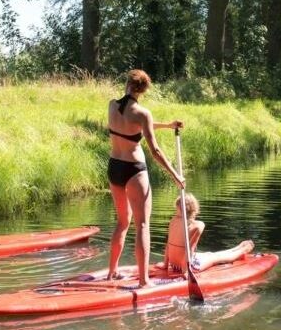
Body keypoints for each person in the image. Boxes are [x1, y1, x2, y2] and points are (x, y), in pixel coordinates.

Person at [107, 69, 185, 287]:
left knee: (122, 223)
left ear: (127, 84)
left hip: (114, 167)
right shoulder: (143, 113)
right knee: (142, 225)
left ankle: (111, 273)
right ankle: (143, 281)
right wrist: (176, 175)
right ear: (143, 90)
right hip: (134, 170)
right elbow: (155, 151)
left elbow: (136, 126)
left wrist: (168, 125)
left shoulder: (112, 105)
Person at [161, 193, 254, 273]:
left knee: (209, 254)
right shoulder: (198, 225)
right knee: (214, 258)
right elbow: (190, 249)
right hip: (186, 266)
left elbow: (168, 245)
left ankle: (237, 248)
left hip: (174, 265)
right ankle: (242, 250)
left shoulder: (172, 221)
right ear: (194, 209)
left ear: (178, 208)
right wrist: (186, 272)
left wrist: (165, 265)